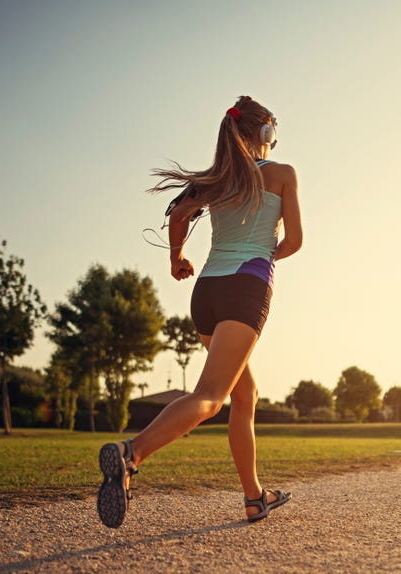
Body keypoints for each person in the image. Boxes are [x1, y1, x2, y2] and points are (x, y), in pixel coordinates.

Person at [97, 96, 302, 528]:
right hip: (246, 287)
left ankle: (254, 497)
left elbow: (178, 216)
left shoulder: (214, 180)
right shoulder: (282, 174)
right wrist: (263, 257)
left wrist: (177, 259)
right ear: (265, 134)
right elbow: (295, 241)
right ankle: (131, 455)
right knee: (210, 397)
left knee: (244, 394)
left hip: (206, 292)